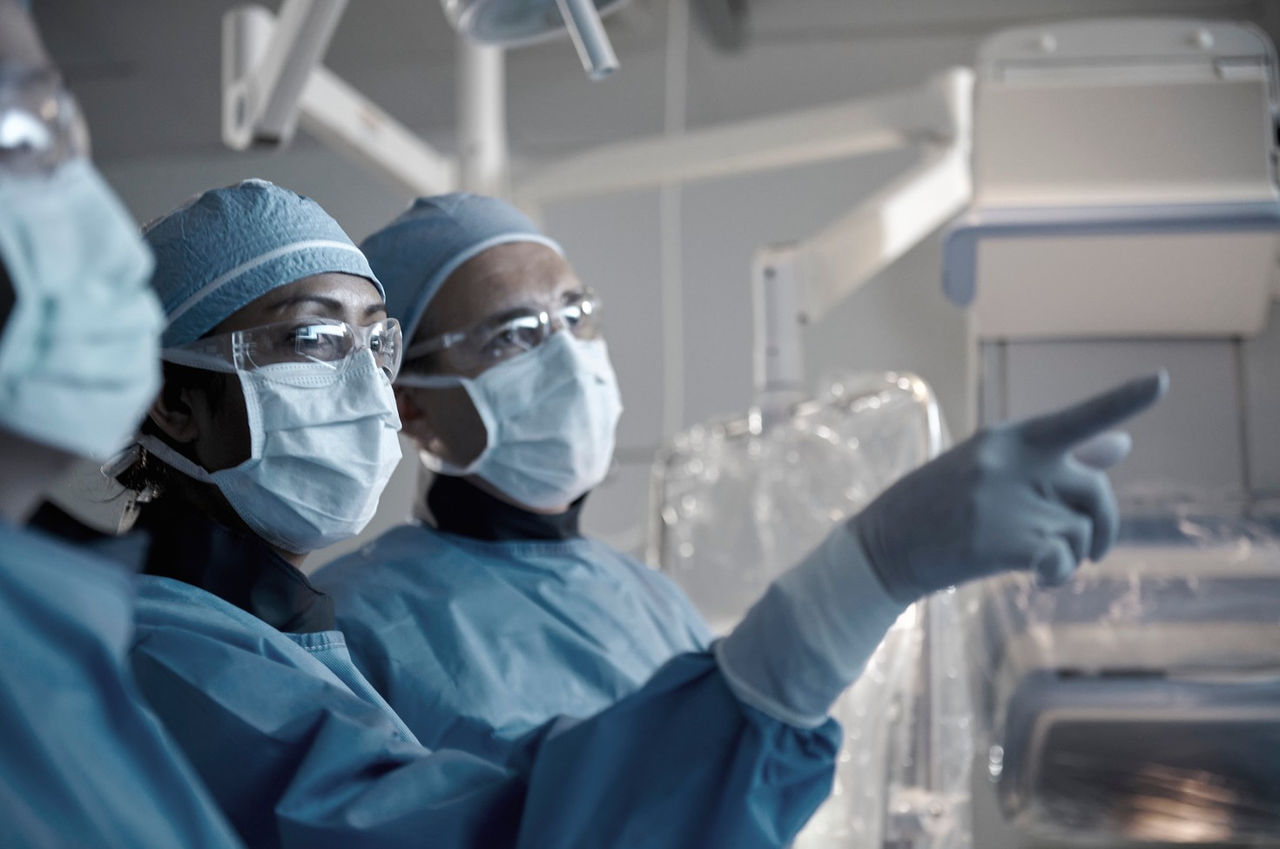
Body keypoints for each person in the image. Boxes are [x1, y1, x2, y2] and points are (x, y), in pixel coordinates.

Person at [52, 177, 1165, 849]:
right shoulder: (168, 659)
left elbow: (550, 789)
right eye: (308, 339)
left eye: (369, 338)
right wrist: (859, 578)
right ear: (175, 409)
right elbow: (513, 828)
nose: (354, 381)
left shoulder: (286, 644)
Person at [313, 194, 712, 760]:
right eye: (511, 335)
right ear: (409, 406)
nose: (570, 361)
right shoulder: (352, 631)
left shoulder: (656, 601)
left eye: (575, 316)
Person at [0, 2, 245, 845]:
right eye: (16, 134)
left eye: (61, 122)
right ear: (176, 402)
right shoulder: (167, 638)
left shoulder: (50, 627)